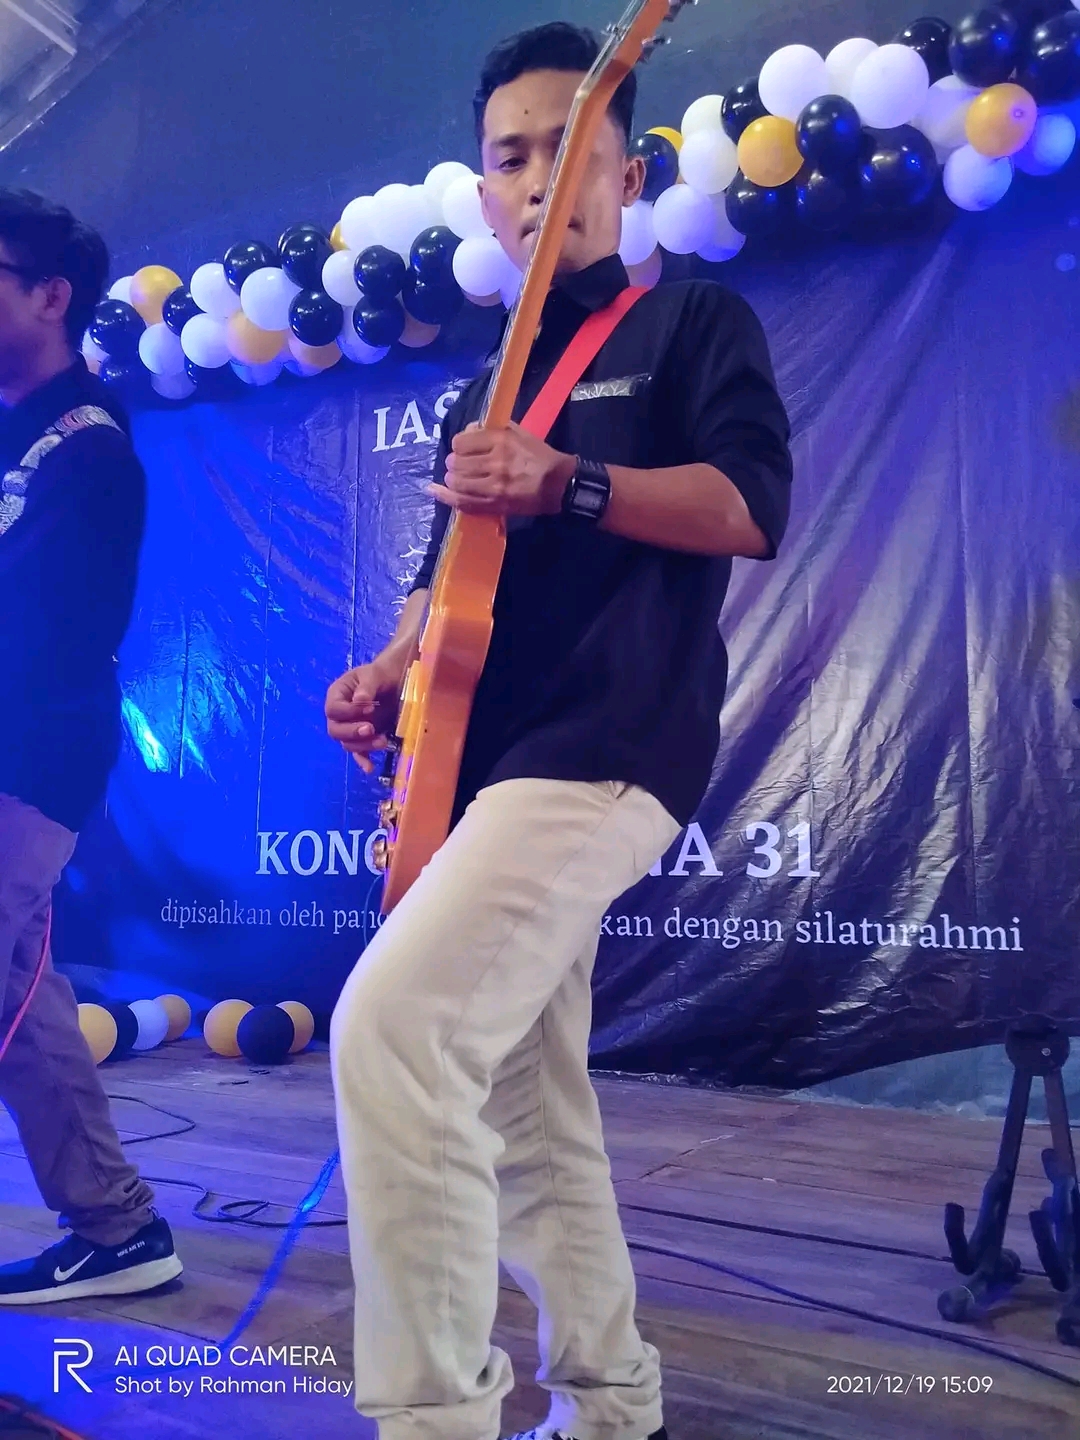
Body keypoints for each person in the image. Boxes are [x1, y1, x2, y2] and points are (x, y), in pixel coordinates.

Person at [326, 23, 791, 1440]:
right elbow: (445, 589)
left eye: (567, 148)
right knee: (530, 1120)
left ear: (626, 172)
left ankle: (436, 1420)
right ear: (483, 193)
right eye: (509, 155)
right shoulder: (485, 389)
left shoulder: (693, 323)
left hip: (610, 746)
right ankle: (616, 1408)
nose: (538, 177)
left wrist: (570, 481)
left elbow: (749, 509)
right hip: (487, 767)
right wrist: (388, 671)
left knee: (395, 1033)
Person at [0, 189, 181, 1303]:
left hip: (31, 756)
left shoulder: (88, 446)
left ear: (48, 295)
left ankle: (118, 1226)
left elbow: (53, 632)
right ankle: (118, 1228)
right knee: (22, 995)